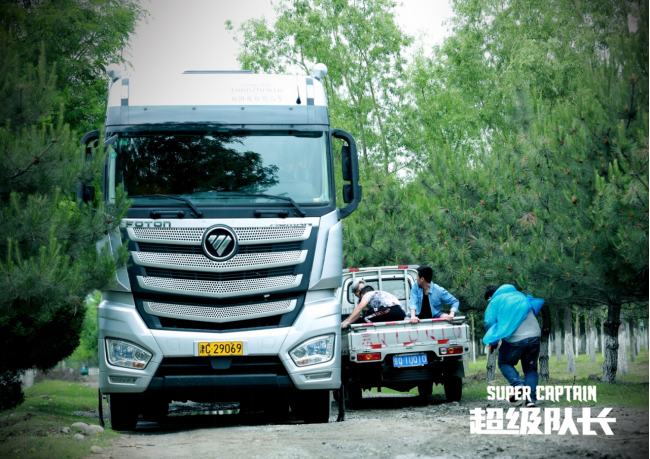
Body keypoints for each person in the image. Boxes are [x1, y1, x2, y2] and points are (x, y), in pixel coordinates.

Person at [483, 284, 544, 408]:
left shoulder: (495, 301)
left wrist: (493, 342)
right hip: (535, 335)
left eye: (488, 300)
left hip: (515, 338)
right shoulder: (520, 296)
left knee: (504, 363)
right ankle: (530, 400)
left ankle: (518, 385)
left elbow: (489, 322)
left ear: (491, 296)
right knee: (530, 369)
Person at [341, 279, 406, 328]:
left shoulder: (368, 294)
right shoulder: (364, 299)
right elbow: (358, 314)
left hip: (392, 309)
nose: (359, 293)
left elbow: (359, 307)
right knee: (365, 318)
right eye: (357, 292)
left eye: (361, 290)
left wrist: (348, 321)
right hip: (400, 312)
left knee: (366, 318)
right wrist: (345, 322)